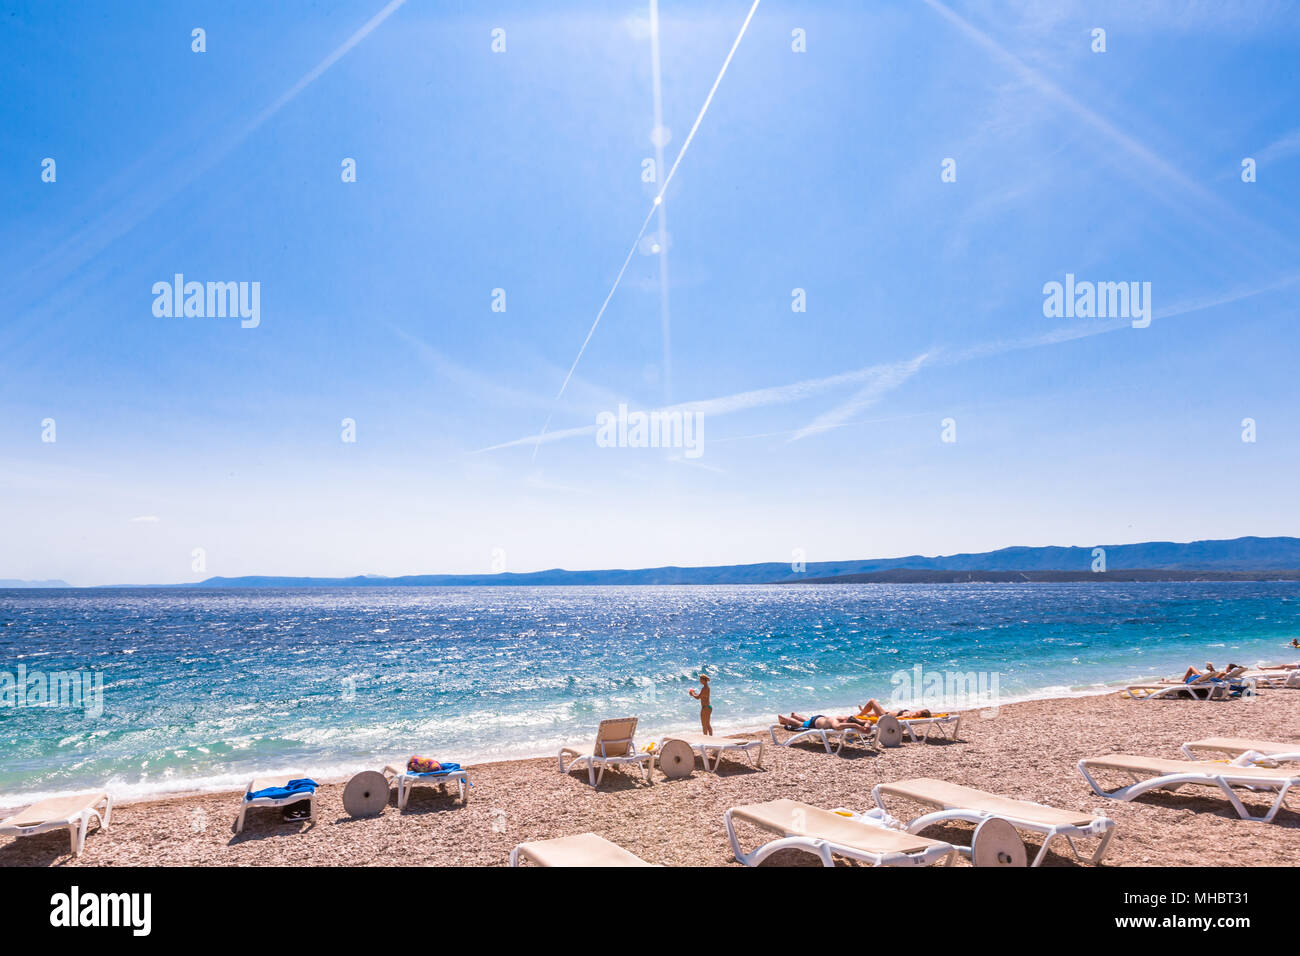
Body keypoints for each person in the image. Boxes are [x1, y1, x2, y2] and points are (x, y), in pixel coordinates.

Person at [776, 712, 867, 732]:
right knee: (800, 724)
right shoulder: (835, 721)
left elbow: (867, 722)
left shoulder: (846, 717)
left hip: (820, 718)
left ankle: (795, 715)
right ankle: (784, 719)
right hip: (815, 723)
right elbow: (837, 727)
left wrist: (866, 725)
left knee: (807, 720)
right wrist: (856, 725)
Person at [857, 698, 932, 720]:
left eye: (920, 711)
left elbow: (896, 719)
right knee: (868, 714)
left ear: (919, 713)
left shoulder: (909, 716)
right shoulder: (912, 715)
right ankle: (862, 713)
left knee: (872, 701)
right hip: (886, 714)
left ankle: (860, 715)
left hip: (884, 716)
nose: (918, 710)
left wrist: (886, 720)